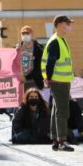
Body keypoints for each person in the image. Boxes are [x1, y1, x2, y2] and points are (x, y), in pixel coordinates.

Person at [42, 15, 75, 152]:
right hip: (59, 81)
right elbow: (50, 62)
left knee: (56, 110)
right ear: (60, 24)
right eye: (67, 24)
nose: (69, 26)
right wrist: (49, 79)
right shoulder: (56, 41)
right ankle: (62, 141)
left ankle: (55, 140)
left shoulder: (61, 40)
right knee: (62, 111)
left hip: (60, 81)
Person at [18, 25, 44, 89]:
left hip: (35, 81)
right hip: (21, 81)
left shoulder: (39, 49)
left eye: (27, 33)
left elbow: (40, 67)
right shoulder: (17, 49)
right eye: (23, 33)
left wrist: (26, 77)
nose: (25, 35)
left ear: (32, 34)